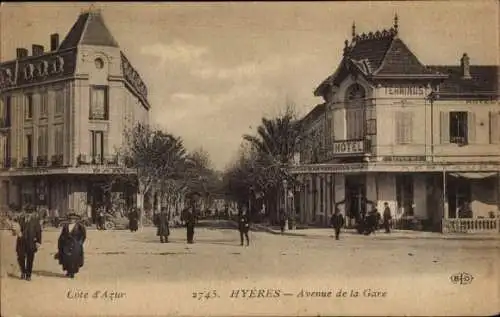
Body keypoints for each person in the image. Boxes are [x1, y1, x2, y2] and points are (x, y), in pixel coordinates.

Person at [15, 206, 42, 281]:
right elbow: (15, 229)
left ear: (33, 213)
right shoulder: (20, 220)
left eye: (30, 213)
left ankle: (28, 274)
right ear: (24, 212)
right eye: (27, 212)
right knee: (20, 257)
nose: (28, 214)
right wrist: (17, 232)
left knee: (30, 259)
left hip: (31, 243)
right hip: (21, 242)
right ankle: (23, 271)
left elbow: (39, 232)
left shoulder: (35, 221)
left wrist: (39, 242)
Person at [56, 213, 86, 278]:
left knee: (74, 259)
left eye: (73, 219)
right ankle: (68, 271)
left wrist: (80, 243)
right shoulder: (66, 226)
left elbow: (83, 235)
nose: (72, 220)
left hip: (76, 244)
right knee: (67, 258)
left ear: (76, 220)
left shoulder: (80, 226)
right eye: (70, 219)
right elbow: (62, 235)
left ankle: (72, 272)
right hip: (67, 244)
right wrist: (61, 242)